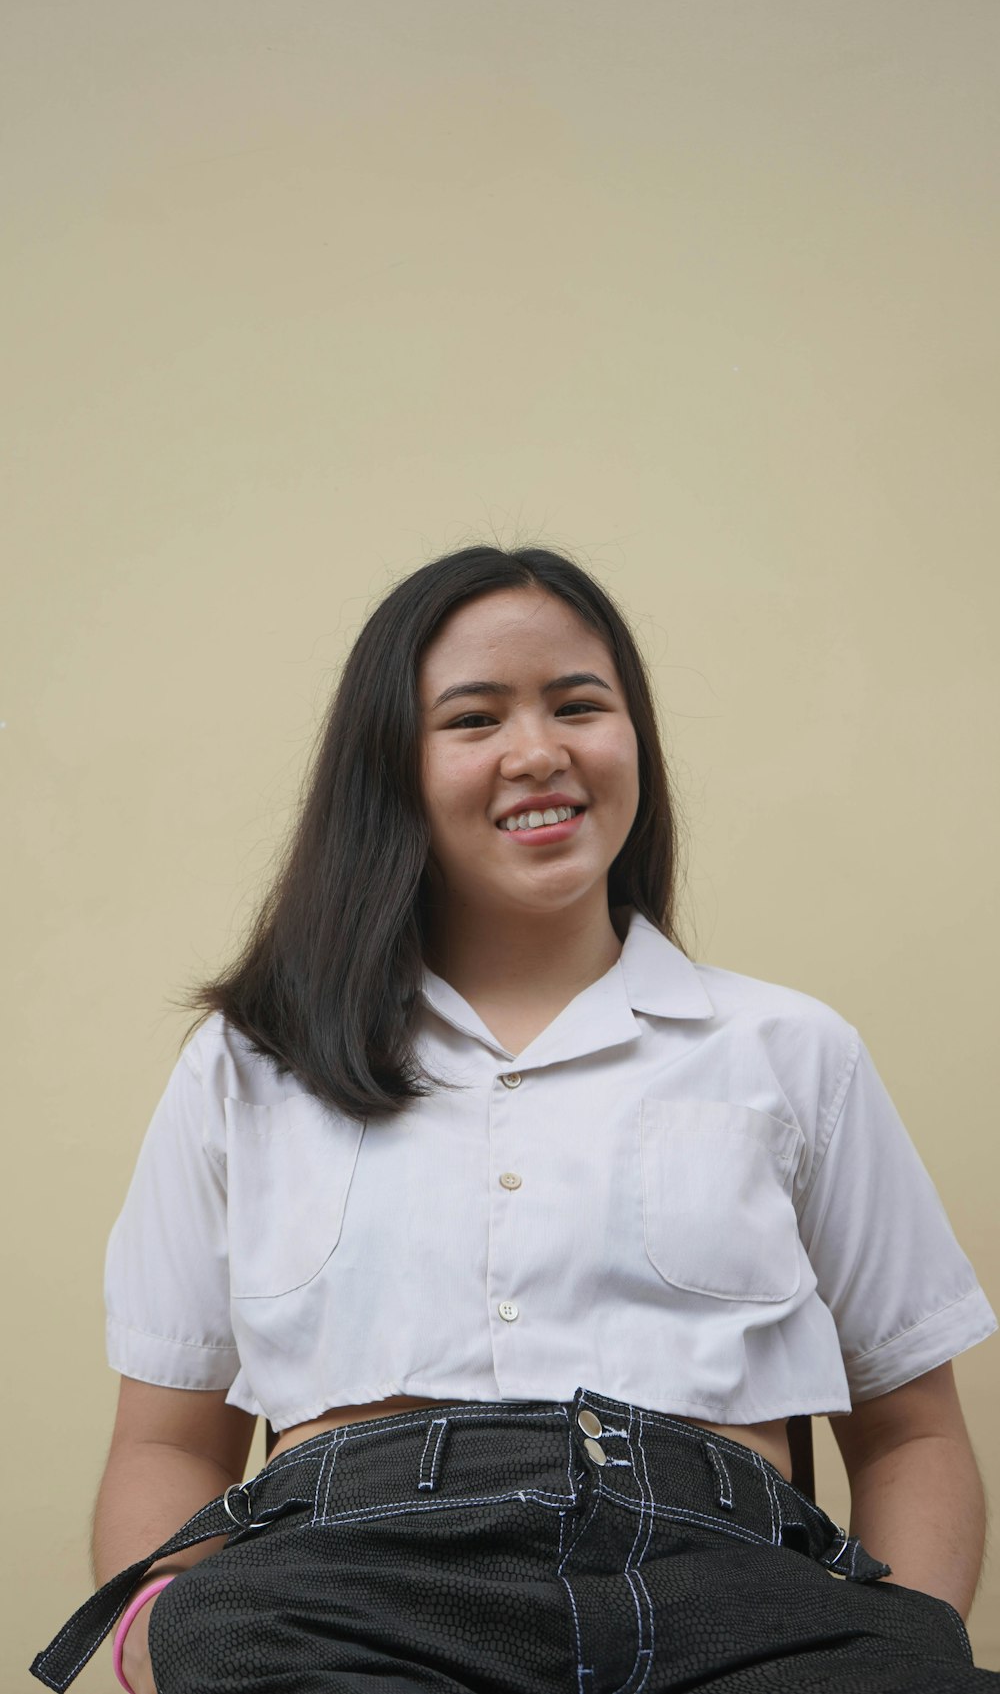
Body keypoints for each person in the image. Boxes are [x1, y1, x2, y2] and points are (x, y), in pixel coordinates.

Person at [32, 545, 998, 1693]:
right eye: (473, 718)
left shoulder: (793, 1051)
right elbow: (169, 1442)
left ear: (633, 735)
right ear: (389, 767)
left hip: (735, 1598)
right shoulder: (250, 1065)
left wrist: (906, 1639)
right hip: (340, 1602)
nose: (538, 751)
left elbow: (912, 1433)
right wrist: (157, 1635)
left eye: (580, 704)